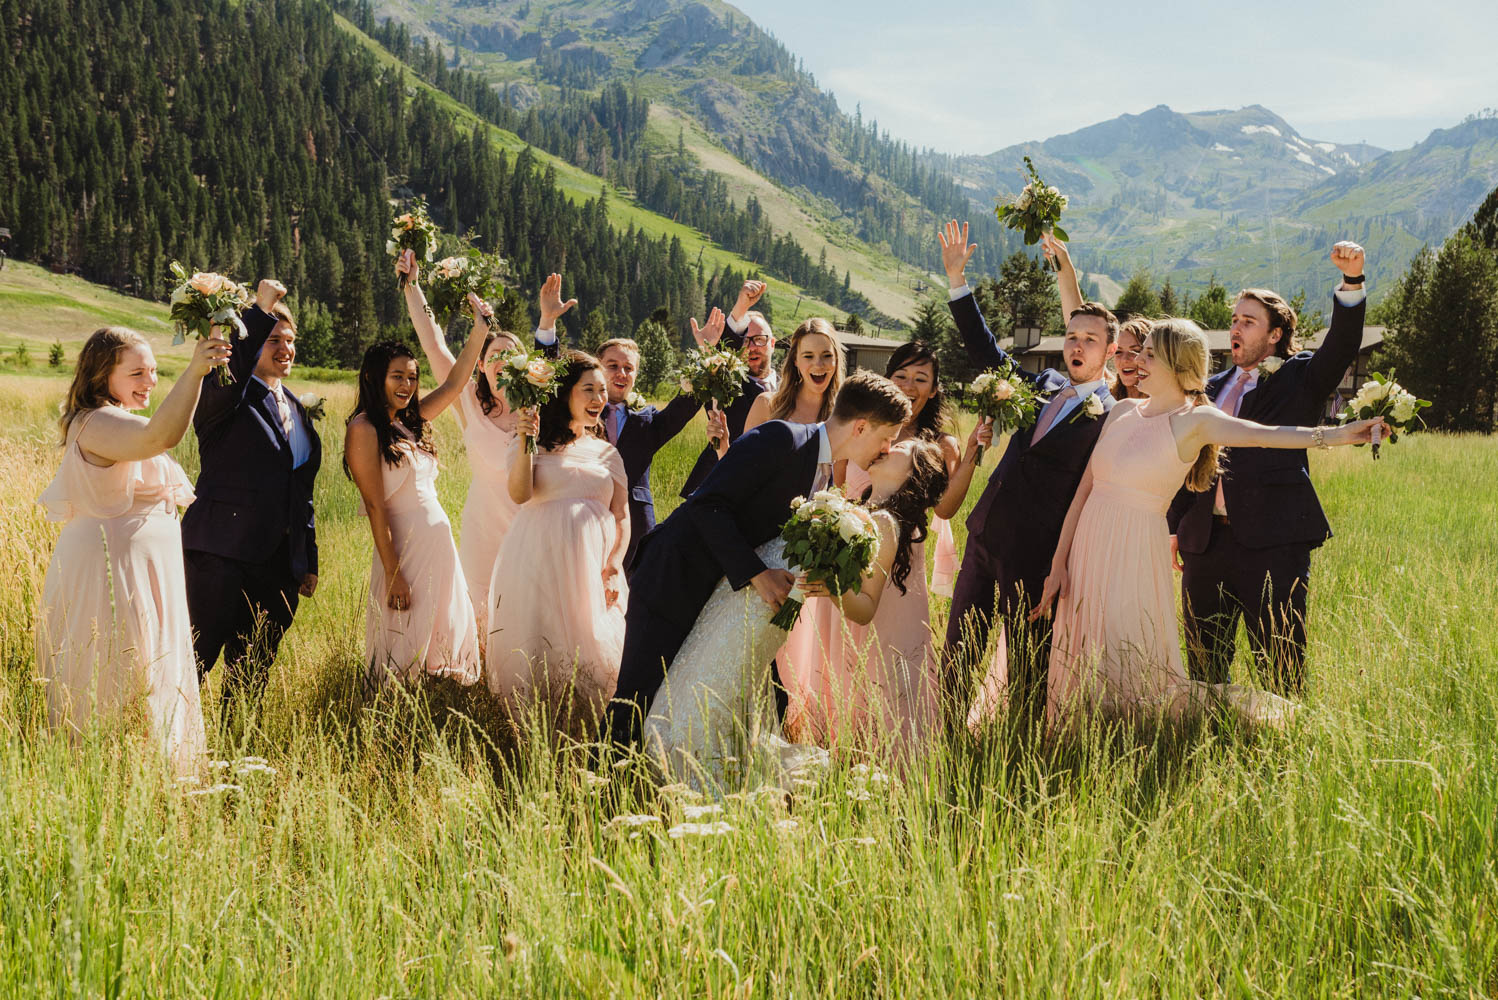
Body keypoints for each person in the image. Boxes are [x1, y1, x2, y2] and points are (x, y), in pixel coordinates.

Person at [1031, 319, 1385, 724]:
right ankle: (1071, 733)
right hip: (1087, 550)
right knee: (1078, 650)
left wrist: (1340, 436)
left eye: (1148, 354)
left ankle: (1136, 738)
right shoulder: (1123, 410)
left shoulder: (1196, 420)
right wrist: (1059, 563)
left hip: (1134, 556)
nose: (1135, 361)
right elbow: (1084, 491)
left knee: (1128, 662)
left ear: (1176, 363)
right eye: (1137, 352)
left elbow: (1265, 435)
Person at [611, 372, 912, 752]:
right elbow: (707, 505)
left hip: (720, 598)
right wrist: (757, 574)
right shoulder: (781, 438)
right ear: (862, 427)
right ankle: (598, 794)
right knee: (634, 702)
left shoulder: (821, 475)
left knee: (773, 701)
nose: (886, 449)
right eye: (886, 438)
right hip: (673, 578)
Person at [937, 219, 1118, 725]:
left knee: (1028, 674)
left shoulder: (1113, 413)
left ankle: (1018, 759)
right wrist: (958, 282)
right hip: (984, 536)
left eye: (1090, 340)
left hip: (1035, 560)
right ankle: (946, 743)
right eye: (1072, 336)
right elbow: (987, 353)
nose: (1077, 345)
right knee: (957, 658)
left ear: (1109, 353)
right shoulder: (1042, 383)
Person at [1167, 243, 1369, 695]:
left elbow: (1340, 348)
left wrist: (1351, 282)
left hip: (1274, 545)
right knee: (1205, 667)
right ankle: (1211, 744)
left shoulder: (1298, 378)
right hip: (1205, 544)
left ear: (1275, 335)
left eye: (1248, 321)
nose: (1235, 328)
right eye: (1234, 320)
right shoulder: (1208, 388)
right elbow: (1187, 460)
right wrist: (1175, 525)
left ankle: (1279, 752)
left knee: (1280, 666)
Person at [37, 327, 230, 775]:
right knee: (115, 673)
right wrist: (196, 371)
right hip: (111, 569)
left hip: (144, 571)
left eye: (155, 370)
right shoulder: (97, 421)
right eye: (137, 372)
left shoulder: (121, 416)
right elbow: (160, 437)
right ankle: (111, 777)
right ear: (103, 374)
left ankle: (153, 775)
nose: (150, 380)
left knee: (150, 668)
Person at [397, 250, 566, 626]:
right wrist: (412, 287)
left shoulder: (537, 405)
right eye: (492, 356)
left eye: (510, 355)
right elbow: (434, 343)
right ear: (481, 366)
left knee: (529, 611)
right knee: (481, 609)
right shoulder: (469, 403)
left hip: (533, 523)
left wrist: (546, 319)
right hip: (483, 524)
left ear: (524, 364)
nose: (501, 361)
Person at [182, 279, 320, 717]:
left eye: (290, 341)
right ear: (254, 342)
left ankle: (232, 765)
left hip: (279, 568)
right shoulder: (225, 396)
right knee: (190, 669)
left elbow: (301, 491)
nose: (284, 349)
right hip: (219, 561)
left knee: (249, 683)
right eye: (274, 340)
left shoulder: (298, 408)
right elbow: (235, 369)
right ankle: (161, 759)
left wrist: (307, 558)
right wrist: (260, 310)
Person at [345, 295, 489, 685]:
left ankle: (437, 707)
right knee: (405, 647)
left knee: (441, 647)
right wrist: (393, 572)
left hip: (438, 547)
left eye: (412, 377)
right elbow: (376, 506)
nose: (407, 384)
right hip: (405, 552)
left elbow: (456, 382)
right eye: (398, 376)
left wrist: (480, 330)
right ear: (375, 378)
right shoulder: (364, 429)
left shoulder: (410, 421)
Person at [780, 438, 951, 766]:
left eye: (900, 449)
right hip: (868, 645)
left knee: (876, 730)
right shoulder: (868, 511)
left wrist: (827, 583)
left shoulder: (886, 523)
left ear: (912, 474)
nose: (887, 446)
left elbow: (865, 609)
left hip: (880, 647)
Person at [485, 352, 631, 732]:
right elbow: (519, 494)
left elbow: (621, 514)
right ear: (565, 393)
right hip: (538, 561)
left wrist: (614, 564)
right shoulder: (532, 443)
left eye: (602, 390)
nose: (599, 398)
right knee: (539, 641)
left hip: (593, 568)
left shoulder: (607, 453)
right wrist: (525, 441)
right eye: (588, 390)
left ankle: (594, 730)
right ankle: (534, 732)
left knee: (596, 644)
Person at [592, 306, 725, 572]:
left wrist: (706, 354)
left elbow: (681, 409)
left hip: (635, 522)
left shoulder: (646, 420)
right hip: (586, 512)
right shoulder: (580, 412)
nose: (622, 373)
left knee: (632, 592)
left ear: (636, 375)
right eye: (613, 366)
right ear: (598, 369)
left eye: (629, 368)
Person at [679, 279, 780, 499]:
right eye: (745, 341)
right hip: (715, 487)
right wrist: (740, 309)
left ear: (772, 343)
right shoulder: (723, 382)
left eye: (759, 340)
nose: (752, 347)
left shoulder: (791, 390)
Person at [742, 316, 844, 433]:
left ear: (836, 358)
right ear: (795, 360)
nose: (818, 365)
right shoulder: (767, 406)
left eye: (827, 356)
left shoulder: (847, 413)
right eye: (808, 356)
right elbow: (741, 452)